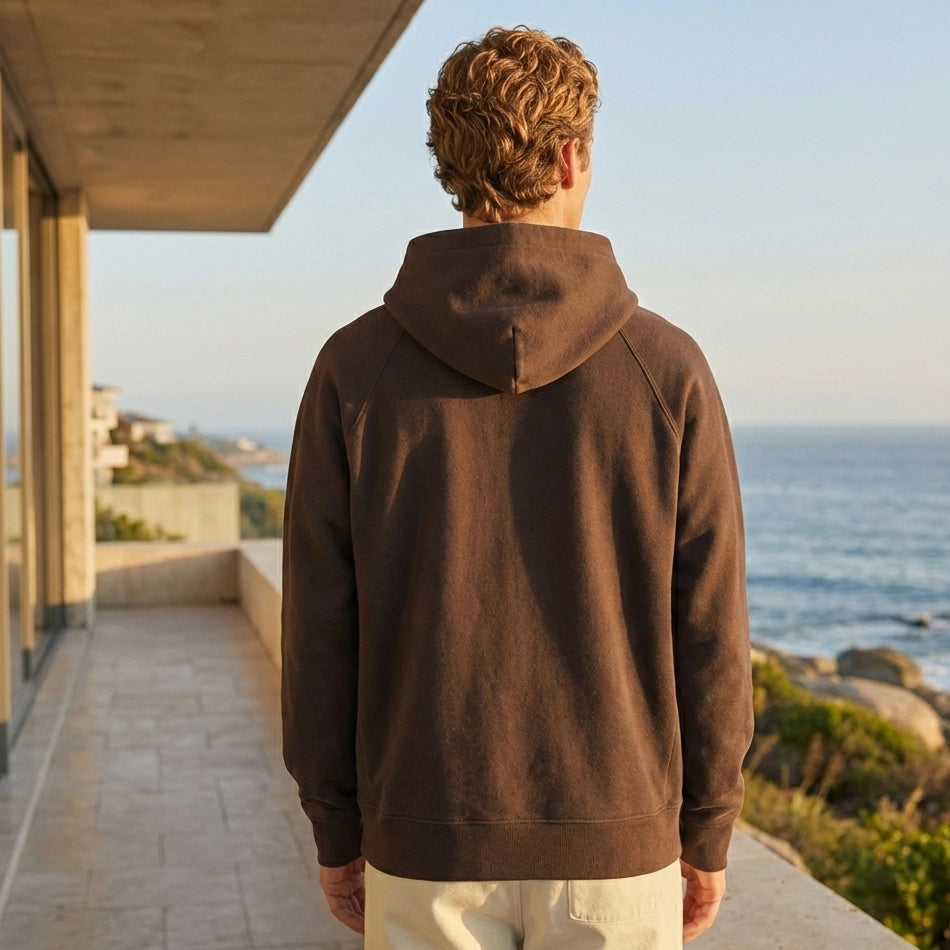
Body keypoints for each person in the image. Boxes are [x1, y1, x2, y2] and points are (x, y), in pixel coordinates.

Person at [282, 25, 753, 949]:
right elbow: (708, 626)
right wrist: (707, 830)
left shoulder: (354, 367)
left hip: (425, 833)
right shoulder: (666, 369)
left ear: (449, 166)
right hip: (618, 847)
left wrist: (337, 827)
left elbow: (320, 626)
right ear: (574, 154)